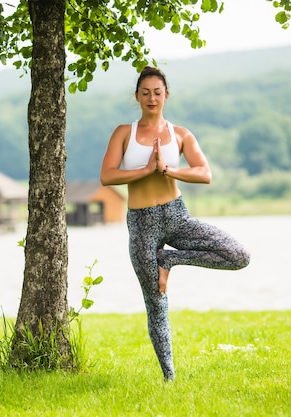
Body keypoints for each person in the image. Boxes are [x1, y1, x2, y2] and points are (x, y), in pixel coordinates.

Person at [99, 66, 251, 381]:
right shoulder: (123, 133)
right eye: (145, 92)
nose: (151, 98)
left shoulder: (180, 134)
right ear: (137, 97)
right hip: (141, 225)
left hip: (177, 216)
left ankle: (170, 260)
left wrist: (168, 170)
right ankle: (170, 377)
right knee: (156, 302)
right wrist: (146, 170)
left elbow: (203, 173)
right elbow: (108, 175)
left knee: (238, 255)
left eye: (157, 92)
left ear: (166, 95)